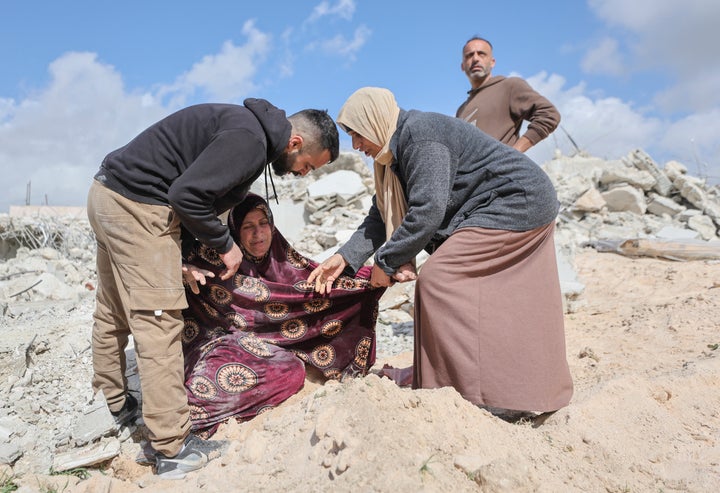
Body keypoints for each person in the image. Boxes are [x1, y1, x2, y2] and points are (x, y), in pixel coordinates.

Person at [86, 100, 339, 479]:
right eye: (308, 165)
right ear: (296, 143)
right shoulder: (250, 140)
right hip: (138, 208)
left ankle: (114, 403)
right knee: (159, 322)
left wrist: (180, 258)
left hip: (107, 195)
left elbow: (190, 194)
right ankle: (172, 448)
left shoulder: (245, 127)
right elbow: (185, 196)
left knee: (113, 309)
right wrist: (225, 244)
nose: (303, 174)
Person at [308, 87, 573, 420]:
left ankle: (460, 391)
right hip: (497, 207)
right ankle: (451, 381)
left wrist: (385, 263)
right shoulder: (392, 157)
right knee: (468, 293)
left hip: (516, 203)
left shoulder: (420, 136)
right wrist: (344, 258)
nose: (357, 145)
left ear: (375, 120)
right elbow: (380, 216)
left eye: (358, 134)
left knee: (438, 281)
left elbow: (427, 210)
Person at [180, 194, 385, 436]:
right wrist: (183, 269)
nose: (258, 233)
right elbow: (173, 262)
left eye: (263, 223)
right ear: (235, 232)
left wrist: (377, 274)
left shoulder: (282, 259)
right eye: (247, 227)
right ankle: (185, 419)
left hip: (262, 350)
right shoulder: (214, 261)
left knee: (290, 372)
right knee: (270, 373)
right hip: (215, 344)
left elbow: (314, 286)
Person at [456, 36, 560, 153]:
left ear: (492, 62)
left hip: (500, 164)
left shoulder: (509, 86)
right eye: (469, 55)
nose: (475, 58)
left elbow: (549, 115)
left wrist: (513, 153)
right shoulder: (461, 110)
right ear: (462, 66)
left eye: (481, 54)